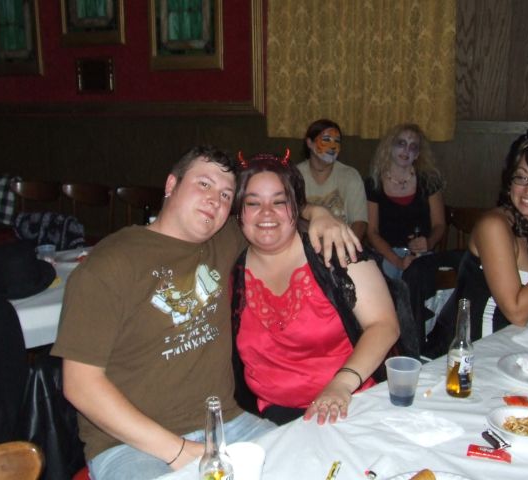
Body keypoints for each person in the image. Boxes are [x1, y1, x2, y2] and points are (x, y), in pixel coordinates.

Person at [51, 146, 360, 480]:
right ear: (171, 185)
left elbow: (274, 212)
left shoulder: (226, 239)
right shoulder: (109, 265)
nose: (215, 200)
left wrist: (319, 214)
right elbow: (80, 385)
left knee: (315, 467)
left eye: (226, 194)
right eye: (204, 184)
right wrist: (179, 451)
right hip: (129, 444)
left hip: (226, 425)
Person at [231, 150, 399, 426]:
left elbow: (384, 325)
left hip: (348, 406)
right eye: (253, 203)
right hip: (266, 420)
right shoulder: (230, 264)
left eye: (279, 201)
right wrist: (317, 211)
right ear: (239, 211)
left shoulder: (334, 251)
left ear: (295, 207)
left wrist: (342, 383)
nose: (266, 213)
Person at [425, 133, 528, 356]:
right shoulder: (494, 226)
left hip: (519, 346)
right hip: (465, 356)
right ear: (510, 181)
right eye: (521, 178)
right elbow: (517, 312)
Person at [364, 123, 446, 279]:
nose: (406, 150)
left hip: (420, 254)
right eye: (401, 143)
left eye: (413, 146)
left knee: (417, 277)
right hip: (387, 253)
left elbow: (439, 225)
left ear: (417, 154)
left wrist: (429, 242)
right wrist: (398, 261)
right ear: (390, 147)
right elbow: (372, 232)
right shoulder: (373, 183)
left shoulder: (429, 181)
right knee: (384, 282)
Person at [297, 119, 368, 240]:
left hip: (343, 245)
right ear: (309, 143)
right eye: (326, 140)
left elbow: (360, 223)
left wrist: (348, 248)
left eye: (337, 141)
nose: (333, 146)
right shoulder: (295, 175)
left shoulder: (350, 176)